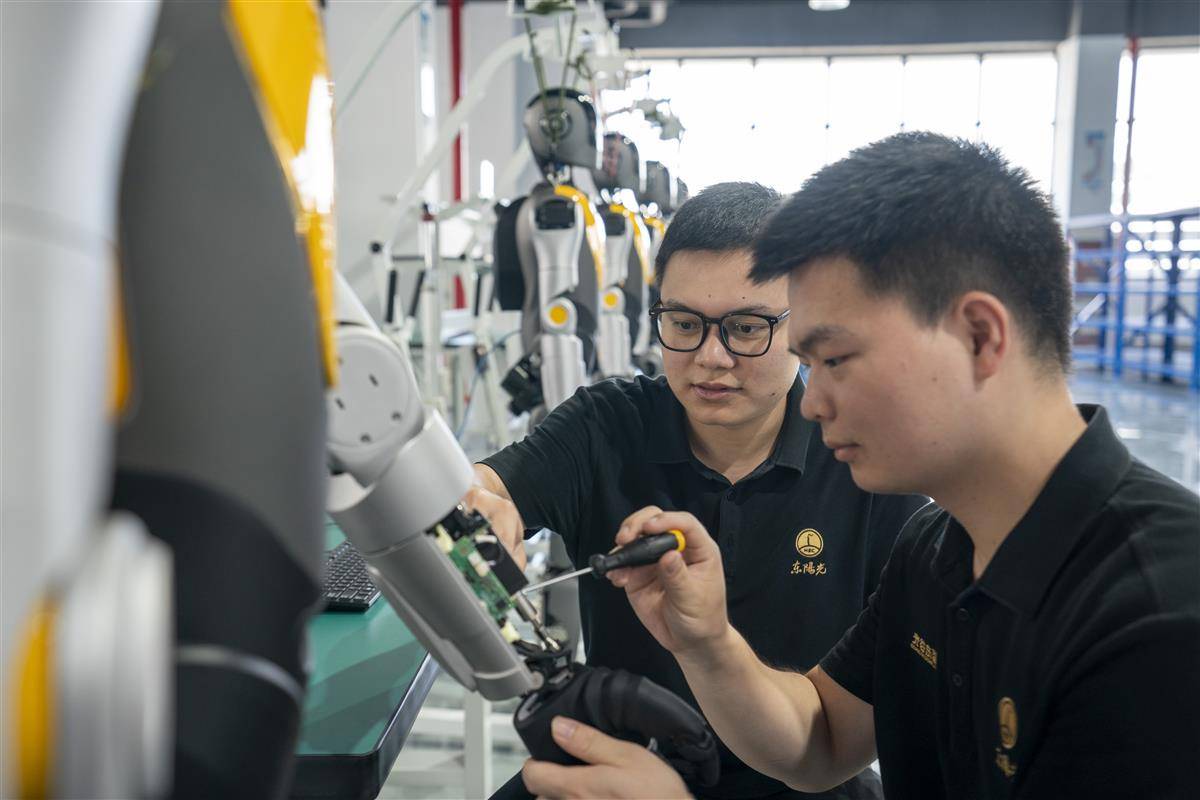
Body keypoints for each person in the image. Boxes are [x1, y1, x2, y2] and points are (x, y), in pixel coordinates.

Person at [520, 133, 1200, 799]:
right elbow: (820, 739)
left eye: (836, 359)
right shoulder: (934, 551)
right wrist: (706, 643)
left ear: (978, 337)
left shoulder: (1158, 616)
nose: (811, 403)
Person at [468, 181, 926, 799]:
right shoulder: (606, 426)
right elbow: (485, 487)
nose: (711, 356)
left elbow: (849, 728)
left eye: (746, 327)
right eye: (683, 323)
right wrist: (475, 505)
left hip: (803, 782)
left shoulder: (864, 459)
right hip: (620, 773)